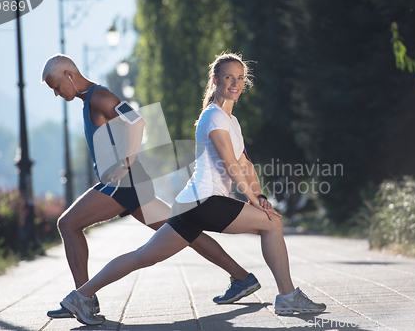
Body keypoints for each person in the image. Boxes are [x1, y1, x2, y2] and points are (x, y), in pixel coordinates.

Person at [58, 52, 326, 326]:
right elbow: (231, 165)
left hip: (191, 204)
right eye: (229, 78)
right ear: (215, 80)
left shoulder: (230, 121)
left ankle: (81, 295)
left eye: (240, 79)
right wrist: (254, 203)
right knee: (272, 224)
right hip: (204, 201)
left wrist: (258, 195)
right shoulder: (213, 117)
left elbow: (245, 164)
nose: (235, 83)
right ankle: (287, 296)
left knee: (144, 256)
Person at [40, 54, 262, 320]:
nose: (56, 93)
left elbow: (137, 120)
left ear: (68, 75)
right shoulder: (90, 99)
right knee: (183, 227)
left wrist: (126, 160)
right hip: (133, 183)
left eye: (56, 86)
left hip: (123, 183)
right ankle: (242, 277)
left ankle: (83, 298)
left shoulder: (99, 97)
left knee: (68, 223)